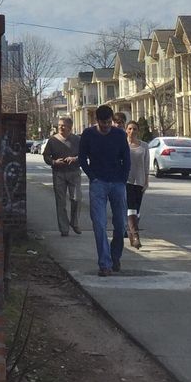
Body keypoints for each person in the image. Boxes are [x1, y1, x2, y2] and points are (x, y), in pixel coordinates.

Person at [77, 104, 130, 276]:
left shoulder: (120, 135)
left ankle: (115, 256)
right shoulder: (88, 135)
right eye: (103, 123)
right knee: (99, 224)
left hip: (117, 183)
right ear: (96, 120)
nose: (106, 126)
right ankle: (104, 264)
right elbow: (82, 158)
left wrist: (122, 179)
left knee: (121, 223)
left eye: (108, 122)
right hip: (98, 183)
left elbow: (126, 159)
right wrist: (92, 176)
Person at [43, 117, 83, 236]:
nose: (60, 127)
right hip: (59, 173)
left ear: (70, 127)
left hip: (74, 172)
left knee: (76, 198)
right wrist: (54, 162)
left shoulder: (77, 140)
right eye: (59, 125)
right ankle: (64, 229)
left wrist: (74, 158)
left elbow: (84, 156)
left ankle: (74, 222)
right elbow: (46, 156)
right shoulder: (52, 140)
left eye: (63, 125)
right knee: (61, 202)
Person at [125, 120, 150, 248]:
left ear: (138, 131)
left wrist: (146, 181)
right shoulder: (123, 145)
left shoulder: (144, 146)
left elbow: (146, 165)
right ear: (126, 130)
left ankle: (130, 231)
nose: (132, 131)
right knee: (131, 207)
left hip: (139, 180)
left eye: (134, 129)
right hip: (126, 180)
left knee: (137, 210)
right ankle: (136, 236)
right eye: (129, 129)